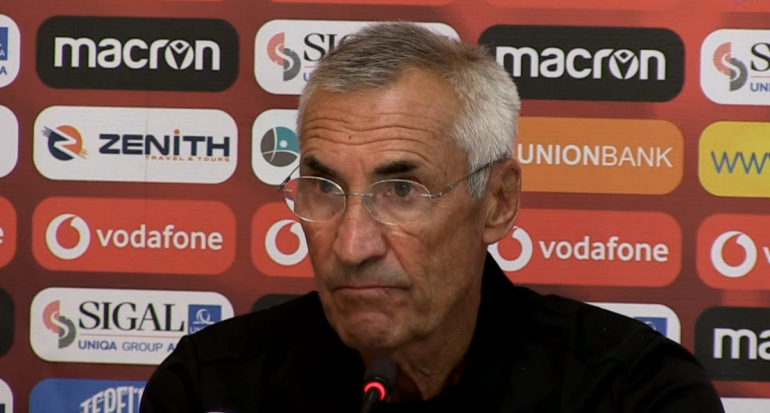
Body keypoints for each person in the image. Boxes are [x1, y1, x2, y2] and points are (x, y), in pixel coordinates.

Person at [139, 22, 725, 413]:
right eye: (324, 188)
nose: (352, 245)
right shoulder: (212, 386)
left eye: (401, 190)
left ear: (497, 201)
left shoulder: (630, 392)